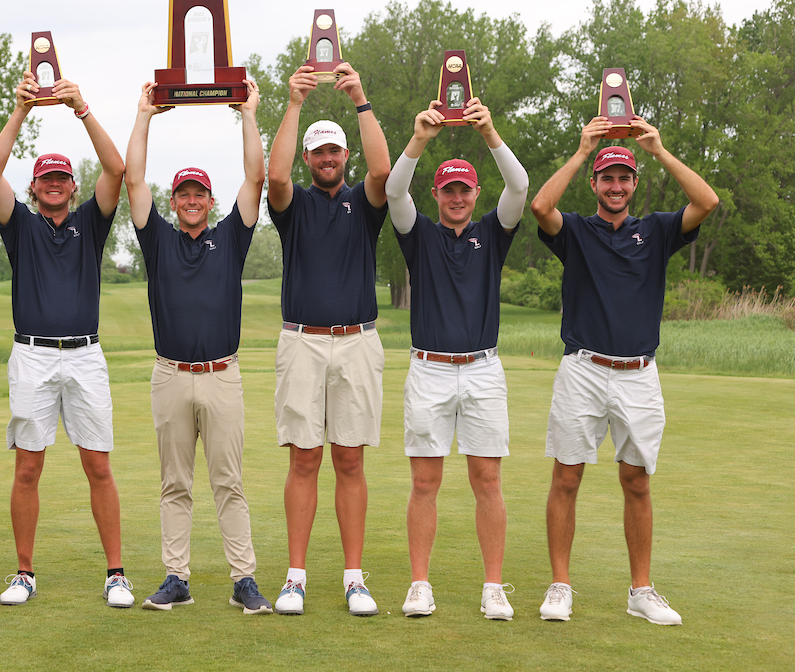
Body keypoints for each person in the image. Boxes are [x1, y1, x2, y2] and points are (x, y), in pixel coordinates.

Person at [529, 117, 719, 625]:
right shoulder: (575, 231)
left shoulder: (655, 230)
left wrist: (658, 150)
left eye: (624, 178)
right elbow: (540, 206)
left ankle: (641, 590)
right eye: (607, 178)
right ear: (595, 185)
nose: (616, 187)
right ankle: (560, 586)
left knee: (636, 480)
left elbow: (708, 202)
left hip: (638, 373)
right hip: (583, 368)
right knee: (566, 477)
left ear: (635, 184)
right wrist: (582, 149)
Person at [0, 72, 134, 608]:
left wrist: (80, 107)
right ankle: (23, 572)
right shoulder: (18, 224)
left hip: (85, 355)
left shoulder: (91, 223)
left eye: (62, 178)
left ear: (72, 185)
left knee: (98, 465)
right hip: (32, 355)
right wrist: (20, 110)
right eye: (45, 178)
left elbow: (117, 169)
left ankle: (116, 573)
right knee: (28, 465)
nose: (54, 184)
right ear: (35, 187)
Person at [125, 80, 272, 615]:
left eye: (199, 194)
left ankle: (244, 579)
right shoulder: (158, 239)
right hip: (169, 374)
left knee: (229, 482)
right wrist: (144, 116)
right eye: (183, 193)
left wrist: (248, 114)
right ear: (174, 201)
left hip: (221, 373)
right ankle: (176, 577)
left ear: (210, 201)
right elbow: (133, 177)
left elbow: (256, 177)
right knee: (175, 484)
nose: (191, 201)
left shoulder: (231, 237)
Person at [385, 98, 529, 620]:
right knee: (425, 481)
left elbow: (519, 188)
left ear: (474, 193)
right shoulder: (418, 234)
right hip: (429, 369)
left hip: (484, 368)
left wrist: (490, 131)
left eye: (465, 189)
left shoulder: (492, 233)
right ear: (438, 194)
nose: (458, 198)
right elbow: (392, 191)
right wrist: (420, 138)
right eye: (449, 190)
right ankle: (419, 584)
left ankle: (494, 586)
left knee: (487, 479)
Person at [267, 62, 391, 616]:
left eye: (334, 151)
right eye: (317, 152)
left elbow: (385, 171)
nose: (326, 159)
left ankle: (353, 577)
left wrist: (360, 99)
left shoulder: (364, 205)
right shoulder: (292, 206)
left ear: (345, 157)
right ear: (308, 159)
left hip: (358, 341)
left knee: (350, 459)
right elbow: (272, 177)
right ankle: (295, 578)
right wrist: (293, 104)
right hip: (302, 341)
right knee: (303, 459)